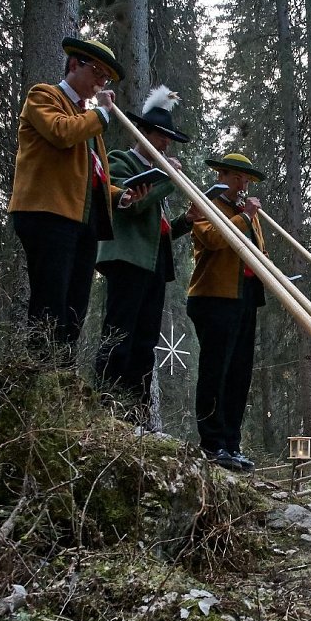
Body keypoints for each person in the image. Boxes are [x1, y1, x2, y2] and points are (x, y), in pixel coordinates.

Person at [8, 36, 148, 362]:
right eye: (98, 74)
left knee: (75, 308)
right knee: (49, 302)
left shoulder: (87, 119)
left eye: (106, 79)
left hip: (81, 221)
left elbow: (92, 178)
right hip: (46, 214)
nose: (101, 83)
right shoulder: (44, 96)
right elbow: (61, 132)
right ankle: (40, 380)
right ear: (74, 64)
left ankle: (64, 385)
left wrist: (121, 196)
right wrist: (100, 113)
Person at [95, 86, 196, 424]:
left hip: (154, 264)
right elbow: (132, 206)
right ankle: (106, 408)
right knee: (119, 334)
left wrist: (186, 221)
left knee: (145, 342)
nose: (166, 143)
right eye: (160, 136)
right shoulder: (121, 162)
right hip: (126, 260)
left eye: (168, 138)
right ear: (144, 133)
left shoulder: (157, 174)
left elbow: (159, 227)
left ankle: (136, 416)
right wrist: (168, 178)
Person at [187, 153, 268, 471]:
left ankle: (232, 444)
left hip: (245, 297)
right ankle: (211, 443)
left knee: (239, 374)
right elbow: (212, 238)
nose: (244, 185)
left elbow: (258, 249)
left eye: (246, 180)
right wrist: (245, 217)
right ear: (222, 174)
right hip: (214, 297)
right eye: (239, 178)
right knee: (215, 371)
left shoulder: (245, 210)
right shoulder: (204, 202)